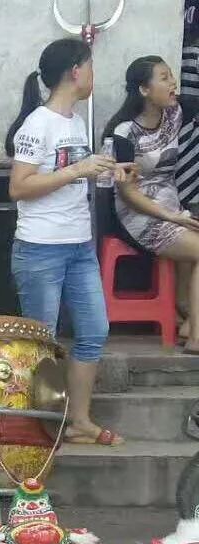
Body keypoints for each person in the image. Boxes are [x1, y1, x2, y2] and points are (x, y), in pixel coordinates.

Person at [5, 38, 129, 446]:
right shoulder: (37, 124)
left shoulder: (75, 121)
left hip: (78, 245)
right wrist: (78, 169)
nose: (94, 77)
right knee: (42, 340)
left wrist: (109, 173)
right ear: (75, 71)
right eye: (90, 67)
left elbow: (76, 176)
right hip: (40, 247)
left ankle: (78, 420)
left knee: (94, 330)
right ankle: (37, 424)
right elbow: (19, 187)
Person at [105, 56, 199, 353]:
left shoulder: (176, 111)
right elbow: (128, 194)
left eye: (171, 76)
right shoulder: (123, 133)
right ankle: (196, 335)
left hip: (171, 207)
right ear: (144, 90)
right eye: (164, 77)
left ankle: (186, 321)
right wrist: (171, 216)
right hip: (138, 214)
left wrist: (177, 215)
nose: (173, 83)